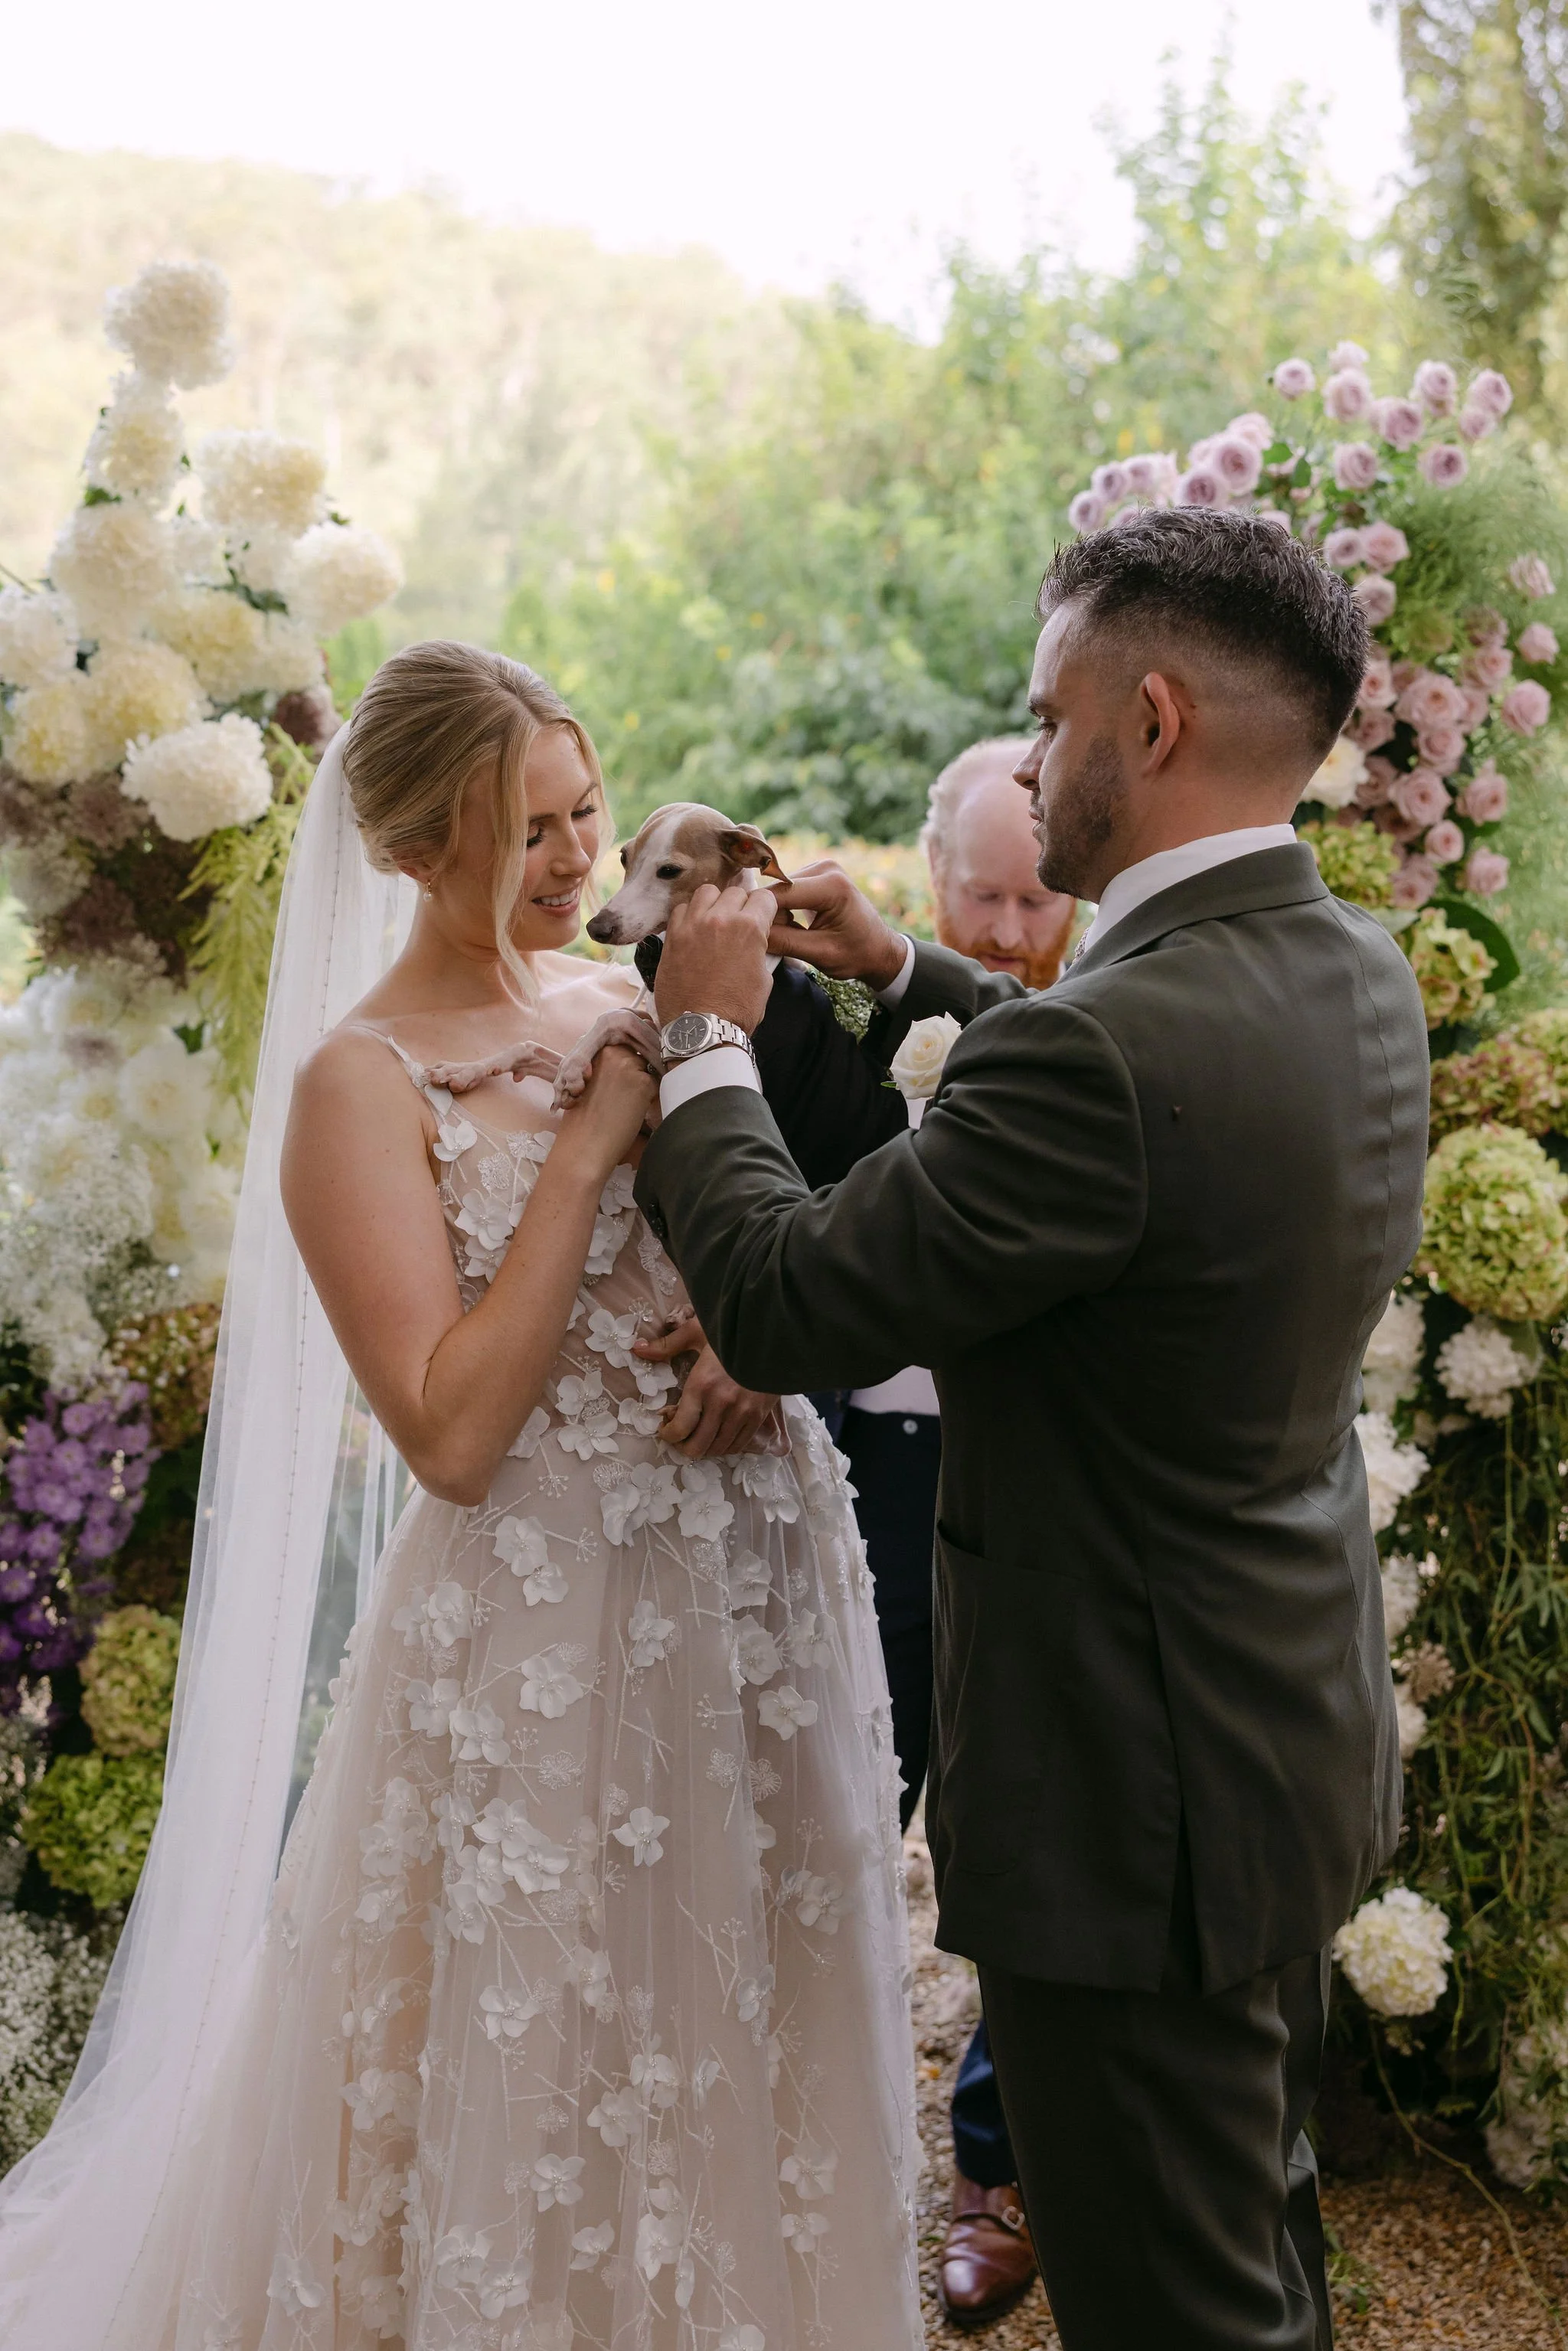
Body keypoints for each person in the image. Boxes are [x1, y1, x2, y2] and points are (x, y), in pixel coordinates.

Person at [0, 643, 922, 2351]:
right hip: (543, 1618)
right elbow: (450, 1431)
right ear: (418, 847)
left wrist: (750, 1334)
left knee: (754, 1998)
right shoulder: (360, 1086)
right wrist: (581, 1153)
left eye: (589, 813)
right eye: (534, 833)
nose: (584, 864)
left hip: (754, 1578)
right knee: (547, 2034)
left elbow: (784, 1222)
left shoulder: (628, 1002)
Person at [624, 508, 1429, 2349]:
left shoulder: (1109, 1053)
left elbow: (784, 1295)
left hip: (1125, 1800)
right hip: (1273, 1745)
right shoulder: (1348, 970)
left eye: (1047, 711)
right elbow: (1141, 1105)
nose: (1033, 751)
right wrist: (916, 973)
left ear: (1144, 721)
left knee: (1175, 2306)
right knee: (1251, 2227)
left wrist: (703, 1041)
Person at [839, 738, 1074, 2326]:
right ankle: (812, 2120)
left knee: (1025, 1821)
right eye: (977, 891)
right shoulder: (841, 1012)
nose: (1001, 924)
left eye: (1029, 891)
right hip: (855, 1456)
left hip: (1036, 1478)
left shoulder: (1096, 1028)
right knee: (845, 1781)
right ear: (932, 879)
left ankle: (997, 2164)